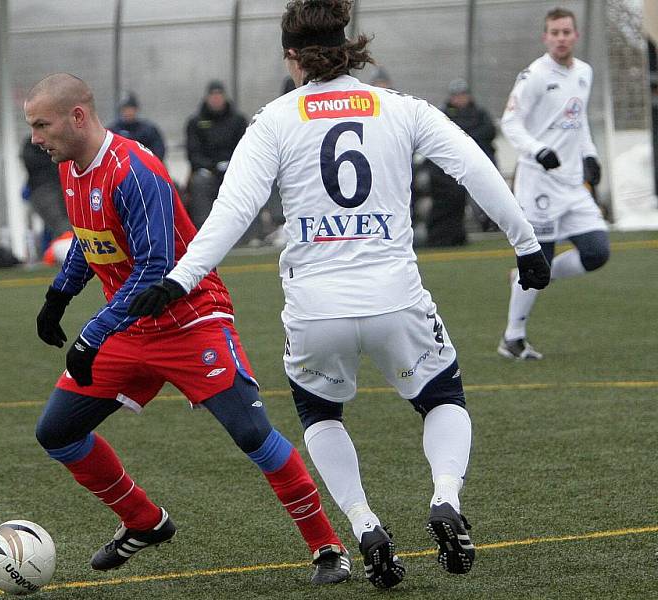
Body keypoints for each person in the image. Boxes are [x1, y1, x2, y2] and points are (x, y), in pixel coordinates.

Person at [127, 0, 551, 588]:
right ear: (349, 44)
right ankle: (445, 500)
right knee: (441, 396)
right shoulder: (400, 108)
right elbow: (474, 166)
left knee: (320, 413)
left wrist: (178, 279)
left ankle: (365, 523)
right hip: (395, 296)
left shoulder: (274, 119)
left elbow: (232, 212)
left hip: (315, 308)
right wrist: (525, 244)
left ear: (292, 57)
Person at [23, 72, 351, 586]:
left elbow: (156, 268)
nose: (35, 138)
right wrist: (57, 296)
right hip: (131, 326)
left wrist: (92, 332)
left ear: (77, 117)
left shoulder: (136, 171)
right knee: (57, 433)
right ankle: (144, 522)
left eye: (41, 125)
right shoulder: (70, 166)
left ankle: (326, 545)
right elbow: (92, 239)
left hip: (191, 319)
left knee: (252, 434)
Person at [498, 7, 609, 360]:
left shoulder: (585, 73)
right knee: (539, 259)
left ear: (575, 35)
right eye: (554, 33)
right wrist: (538, 149)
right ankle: (512, 338)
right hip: (539, 184)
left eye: (566, 32)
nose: (561, 38)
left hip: (573, 185)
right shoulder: (533, 75)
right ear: (545, 38)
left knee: (596, 252)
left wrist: (590, 154)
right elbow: (510, 123)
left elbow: (578, 122)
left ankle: (535, 276)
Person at [426, 78, 498, 245]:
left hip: (479, 163)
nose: (460, 99)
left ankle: (491, 223)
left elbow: (489, 132)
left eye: (463, 95)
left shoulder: (479, 112)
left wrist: (465, 138)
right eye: (457, 96)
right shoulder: (443, 114)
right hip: (452, 168)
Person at [184, 80, 247, 229]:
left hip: (233, 168)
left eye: (219, 95)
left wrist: (231, 165)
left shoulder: (237, 120)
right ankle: (204, 229)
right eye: (213, 95)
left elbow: (245, 148)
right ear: (207, 97)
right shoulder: (195, 122)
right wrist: (211, 167)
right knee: (200, 182)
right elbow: (193, 153)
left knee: (246, 182)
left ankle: (247, 231)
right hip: (206, 170)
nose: (216, 99)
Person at [21, 136, 71, 245]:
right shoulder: (34, 145)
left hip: (52, 188)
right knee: (64, 229)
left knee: (61, 230)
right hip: (45, 190)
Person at [107, 92, 166, 160]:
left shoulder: (148, 130)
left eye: (130, 109)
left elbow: (159, 151)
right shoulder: (114, 130)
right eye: (125, 109)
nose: (128, 112)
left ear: (136, 110)